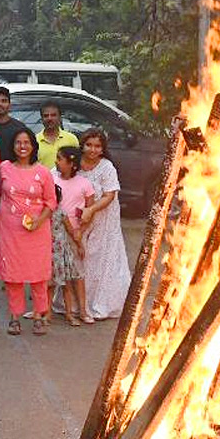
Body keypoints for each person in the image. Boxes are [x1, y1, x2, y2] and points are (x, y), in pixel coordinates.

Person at [0, 127, 57, 335]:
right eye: (18, 143)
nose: (22, 146)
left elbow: (51, 201)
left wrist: (39, 220)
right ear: (13, 146)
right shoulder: (4, 168)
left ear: (33, 146)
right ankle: (15, 317)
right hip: (10, 229)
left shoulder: (43, 172)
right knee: (13, 276)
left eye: (26, 143)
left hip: (37, 231)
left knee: (38, 275)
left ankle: (39, 316)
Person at [79, 128, 132, 320]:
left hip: (104, 217)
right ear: (82, 145)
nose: (93, 150)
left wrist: (92, 210)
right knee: (81, 254)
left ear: (103, 149)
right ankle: (79, 303)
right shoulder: (76, 164)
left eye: (97, 146)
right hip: (81, 217)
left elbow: (110, 195)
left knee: (100, 257)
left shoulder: (107, 167)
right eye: (89, 145)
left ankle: (100, 303)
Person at [51, 145, 94, 326]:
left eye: (60, 159)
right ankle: (50, 309)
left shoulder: (84, 184)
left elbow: (89, 211)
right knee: (56, 274)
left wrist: (80, 233)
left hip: (74, 234)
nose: (56, 162)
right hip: (54, 235)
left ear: (71, 164)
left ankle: (83, 310)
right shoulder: (52, 178)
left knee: (78, 273)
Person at [36, 101, 79, 169]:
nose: (50, 118)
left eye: (53, 115)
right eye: (46, 116)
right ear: (42, 119)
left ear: (60, 117)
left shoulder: (71, 139)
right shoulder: (34, 141)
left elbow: (77, 164)